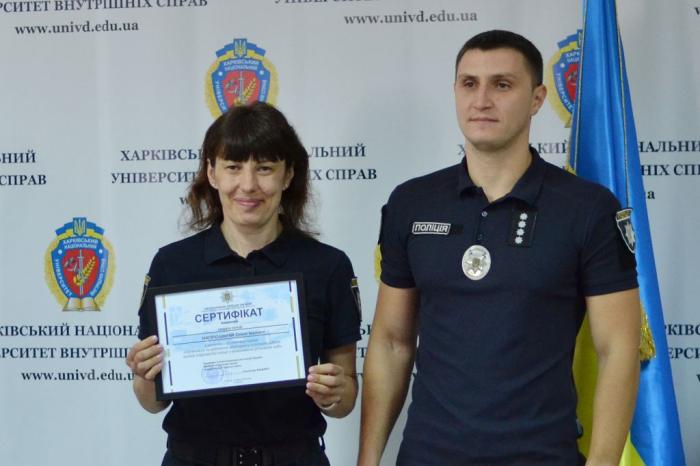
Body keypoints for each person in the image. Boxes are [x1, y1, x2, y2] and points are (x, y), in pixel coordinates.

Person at [358, 30, 641, 466]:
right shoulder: (411, 203)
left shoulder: (587, 208)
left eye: (502, 85)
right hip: (427, 456)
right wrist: (367, 458)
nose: (482, 100)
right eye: (469, 83)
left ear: (537, 98)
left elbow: (617, 349)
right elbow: (392, 343)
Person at [126, 101, 362, 466]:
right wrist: (144, 376)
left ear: (288, 175)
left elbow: (345, 399)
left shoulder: (327, 266)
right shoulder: (172, 265)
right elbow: (152, 402)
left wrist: (335, 392)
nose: (248, 185)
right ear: (212, 173)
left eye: (265, 168)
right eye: (233, 167)